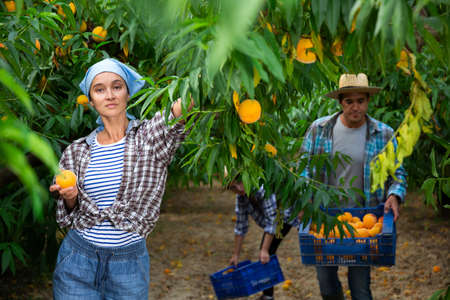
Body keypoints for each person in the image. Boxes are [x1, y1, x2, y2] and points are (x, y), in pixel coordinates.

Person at [49, 58, 193, 300]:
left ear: (128, 93)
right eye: (100, 89)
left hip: (129, 264)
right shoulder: (76, 151)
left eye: (117, 86)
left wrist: (214, 68)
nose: (110, 95)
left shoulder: (148, 138)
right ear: (91, 101)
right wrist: (71, 197)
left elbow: (187, 104)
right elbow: (68, 213)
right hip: (78, 259)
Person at [299, 73, 407, 300]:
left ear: (368, 101)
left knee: (360, 290)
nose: (355, 107)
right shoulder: (320, 129)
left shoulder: (383, 134)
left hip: (363, 224)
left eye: (361, 101)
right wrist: (305, 196)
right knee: (327, 287)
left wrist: (394, 196)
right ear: (340, 103)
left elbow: (397, 174)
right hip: (325, 222)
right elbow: (303, 168)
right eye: (349, 101)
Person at [228, 180, 298, 300]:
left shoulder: (262, 188)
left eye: (240, 183)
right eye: (234, 187)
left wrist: (264, 249)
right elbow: (240, 226)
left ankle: (268, 296)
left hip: (283, 218)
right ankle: (268, 295)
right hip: (272, 221)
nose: (239, 189)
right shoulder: (241, 198)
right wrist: (235, 254)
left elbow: (273, 220)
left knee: (267, 252)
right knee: (266, 253)